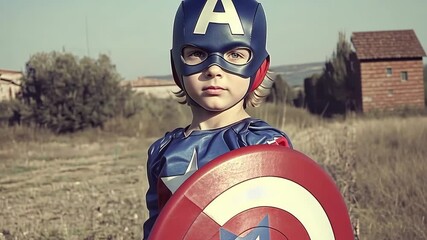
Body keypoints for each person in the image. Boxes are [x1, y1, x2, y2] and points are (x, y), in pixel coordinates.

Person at [142, 0, 292, 239]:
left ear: (259, 68)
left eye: (235, 54)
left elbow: (288, 224)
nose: (214, 69)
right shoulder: (162, 151)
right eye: (197, 53)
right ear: (176, 66)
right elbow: (158, 230)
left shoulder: (264, 145)